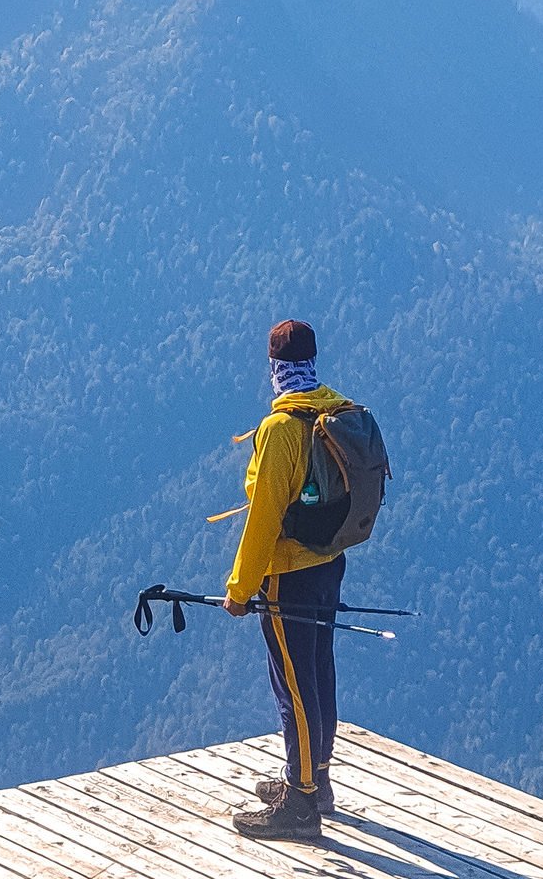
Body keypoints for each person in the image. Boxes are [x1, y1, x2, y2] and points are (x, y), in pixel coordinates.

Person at [224, 319, 349, 841]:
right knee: (318, 669)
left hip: (290, 575)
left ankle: (299, 806)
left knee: (293, 686)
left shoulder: (280, 431)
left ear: (274, 368)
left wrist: (239, 588)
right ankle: (314, 780)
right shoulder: (336, 413)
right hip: (330, 561)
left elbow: (264, 519)